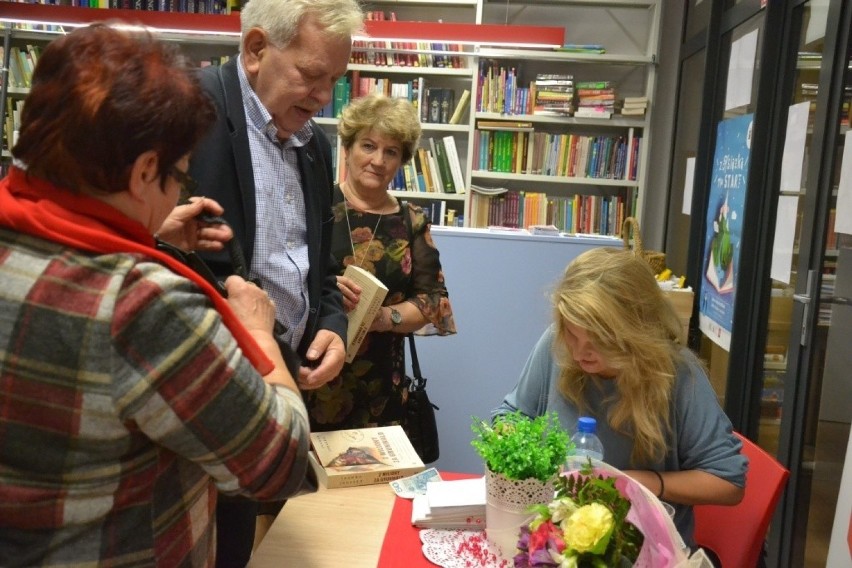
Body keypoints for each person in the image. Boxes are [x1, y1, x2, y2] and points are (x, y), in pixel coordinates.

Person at [0, 24, 311, 568]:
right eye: (178, 177)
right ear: (146, 170)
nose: (178, 190)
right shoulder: (144, 305)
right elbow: (279, 463)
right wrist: (258, 333)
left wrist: (149, 230)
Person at [186, 0, 364, 562]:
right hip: (193, 389)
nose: (323, 97)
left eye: (335, 81)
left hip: (275, 384)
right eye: (312, 76)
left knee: (238, 547)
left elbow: (325, 264)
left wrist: (332, 324)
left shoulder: (315, 144)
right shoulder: (188, 111)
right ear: (257, 48)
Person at [493, 247, 747, 551]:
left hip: (642, 549)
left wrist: (638, 483)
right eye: (573, 335)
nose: (578, 353)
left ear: (636, 333)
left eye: (598, 341)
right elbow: (510, 415)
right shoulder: (556, 344)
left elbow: (728, 483)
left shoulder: (678, 374)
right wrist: (515, 443)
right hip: (558, 541)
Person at [310, 93, 456, 431]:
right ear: (347, 148)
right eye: (368, 146)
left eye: (390, 152)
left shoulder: (411, 220)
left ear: (401, 161)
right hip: (312, 371)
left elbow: (434, 301)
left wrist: (384, 317)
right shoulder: (316, 205)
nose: (378, 160)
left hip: (380, 388)